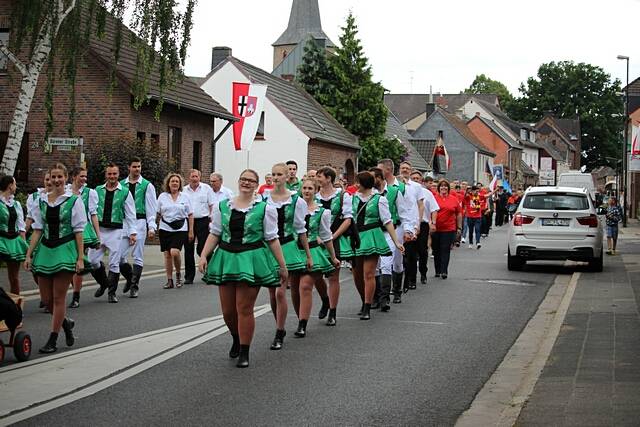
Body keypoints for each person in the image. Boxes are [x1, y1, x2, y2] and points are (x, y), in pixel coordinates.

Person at [198, 169, 287, 368]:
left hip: (252, 257)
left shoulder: (265, 208)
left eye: (250, 180)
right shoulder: (223, 206)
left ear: (256, 184)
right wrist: (204, 255)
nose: (246, 183)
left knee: (244, 308)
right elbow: (215, 233)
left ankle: (244, 351)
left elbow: (272, 239)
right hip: (226, 257)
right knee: (228, 311)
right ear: (238, 182)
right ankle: (236, 338)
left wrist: (282, 266)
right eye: (243, 179)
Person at [24, 163, 85, 353]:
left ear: (66, 178)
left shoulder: (74, 201)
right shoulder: (41, 201)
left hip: (65, 250)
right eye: (53, 177)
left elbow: (79, 231)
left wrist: (80, 258)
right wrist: (28, 253)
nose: (56, 180)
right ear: (49, 179)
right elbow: (37, 230)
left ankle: (53, 338)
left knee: (59, 299)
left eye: (60, 177)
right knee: (46, 299)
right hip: (45, 250)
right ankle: (66, 323)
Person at [264, 163, 311, 350]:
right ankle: (280, 326)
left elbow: (301, 229)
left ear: (286, 177)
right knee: (271, 293)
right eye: (273, 174)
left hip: (287, 247)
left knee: (280, 291)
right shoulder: (263, 198)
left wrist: (308, 255)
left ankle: (279, 331)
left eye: (279, 174)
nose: (276, 177)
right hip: (268, 248)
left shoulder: (296, 201)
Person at [352, 171, 404, 320]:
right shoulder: (351, 199)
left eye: (358, 182)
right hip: (356, 237)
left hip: (372, 236)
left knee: (369, 273)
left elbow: (387, 221)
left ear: (364, 184)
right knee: (357, 275)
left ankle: (368, 305)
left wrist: (396, 241)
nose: (356, 185)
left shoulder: (379, 200)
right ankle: (364, 300)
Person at [292, 178, 339, 338]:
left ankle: (302, 324)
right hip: (294, 251)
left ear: (315, 191)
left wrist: (333, 257)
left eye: (310, 188)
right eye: (304, 188)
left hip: (313, 250)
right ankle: (321, 302)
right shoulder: (291, 209)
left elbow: (327, 236)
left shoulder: (322, 212)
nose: (306, 191)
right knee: (294, 288)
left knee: (305, 286)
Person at [89, 163, 137, 304]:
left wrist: (132, 232)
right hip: (99, 231)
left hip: (116, 231)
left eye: (114, 174)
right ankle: (104, 283)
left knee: (114, 262)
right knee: (92, 261)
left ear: (118, 174)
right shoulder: (97, 190)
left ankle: (112, 293)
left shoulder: (125, 192)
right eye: (109, 174)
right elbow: (90, 210)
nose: (112, 177)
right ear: (106, 175)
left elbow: (130, 213)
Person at [315, 166, 354, 326]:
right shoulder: (314, 197)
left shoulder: (343, 196)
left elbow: (348, 219)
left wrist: (332, 236)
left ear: (329, 178)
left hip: (335, 236)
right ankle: (325, 299)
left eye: (320, 176)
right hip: (316, 239)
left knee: (333, 277)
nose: (317, 179)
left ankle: (333, 311)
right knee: (316, 275)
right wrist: (317, 237)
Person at [377, 159, 414, 305]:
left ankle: (397, 290)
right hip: (378, 229)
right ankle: (382, 296)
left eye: (380, 170)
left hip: (395, 228)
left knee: (397, 261)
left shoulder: (399, 189)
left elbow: (407, 211)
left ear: (388, 170)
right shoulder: (374, 190)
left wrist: (409, 229)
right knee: (382, 263)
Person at [119, 157, 158, 298]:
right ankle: (130, 278)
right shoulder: (121, 185)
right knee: (119, 256)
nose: (137, 169)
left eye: (139, 166)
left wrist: (151, 226)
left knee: (137, 255)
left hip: (140, 221)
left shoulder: (147, 185)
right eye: (134, 166)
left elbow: (151, 208)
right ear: (129, 167)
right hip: (124, 223)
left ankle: (134, 286)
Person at [68, 167, 100, 308]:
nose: (84, 179)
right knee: (67, 263)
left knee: (78, 261)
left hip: (83, 230)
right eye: (82, 176)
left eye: (86, 177)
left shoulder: (90, 193)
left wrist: (98, 235)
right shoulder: (65, 191)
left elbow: (93, 214)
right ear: (74, 177)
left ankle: (76, 296)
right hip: (66, 230)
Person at [157, 173, 194, 288]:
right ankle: (169, 280)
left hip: (180, 228)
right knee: (167, 255)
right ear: (168, 183)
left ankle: (178, 274)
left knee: (175, 252)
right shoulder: (162, 196)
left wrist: (191, 231)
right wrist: (153, 228)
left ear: (180, 184)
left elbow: (190, 214)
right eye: (172, 181)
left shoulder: (185, 197)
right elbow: (157, 213)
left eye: (177, 182)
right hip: (165, 227)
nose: (174, 183)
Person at [182, 169, 214, 284]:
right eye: (192, 176)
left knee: (203, 247)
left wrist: (212, 221)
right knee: (188, 249)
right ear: (188, 177)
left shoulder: (206, 189)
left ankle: (210, 271)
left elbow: (211, 205)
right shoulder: (184, 190)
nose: (194, 178)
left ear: (200, 177)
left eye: (196, 176)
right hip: (188, 221)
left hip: (203, 221)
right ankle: (189, 276)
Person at [0, 175, 28, 295]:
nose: (16, 187)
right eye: (15, 184)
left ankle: (16, 308)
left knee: (14, 277)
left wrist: (23, 245)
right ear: (10, 185)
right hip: (0, 240)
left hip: (14, 241)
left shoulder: (16, 204)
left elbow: (21, 226)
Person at [410, 171, 439, 284]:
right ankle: (411, 278)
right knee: (411, 252)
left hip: (423, 224)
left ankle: (423, 273)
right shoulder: (406, 192)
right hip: (410, 225)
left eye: (418, 178)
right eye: (414, 178)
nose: (416, 180)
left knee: (422, 250)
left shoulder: (427, 193)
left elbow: (434, 209)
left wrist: (433, 222)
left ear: (421, 181)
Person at [432, 180, 462, 279]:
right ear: (439, 188)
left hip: (449, 228)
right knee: (436, 250)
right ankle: (437, 270)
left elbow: (458, 213)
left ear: (448, 188)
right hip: (435, 228)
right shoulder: (434, 198)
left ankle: (444, 271)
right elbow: (430, 211)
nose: (443, 188)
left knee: (445, 249)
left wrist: (459, 227)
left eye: (445, 186)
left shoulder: (453, 199)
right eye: (441, 186)